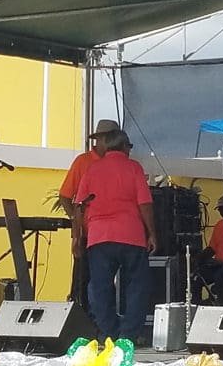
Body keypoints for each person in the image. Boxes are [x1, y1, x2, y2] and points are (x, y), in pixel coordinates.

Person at [73, 130, 157, 342]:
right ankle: (128, 335)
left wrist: (76, 237)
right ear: (124, 146)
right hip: (131, 235)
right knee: (136, 286)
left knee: (99, 287)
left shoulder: (92, 170)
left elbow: (79, 206)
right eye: (129, 146)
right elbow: (145, 204)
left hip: (99, 237)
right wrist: (152, 233)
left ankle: (109, 332)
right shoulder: (133, 168)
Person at [58, 118, 120, 306]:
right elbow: (65, 195)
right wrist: (75, 222)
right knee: (82, 279)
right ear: (99, 140)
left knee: (107, 280)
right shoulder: (83, 161)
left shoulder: (119, 162)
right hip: (87, 233)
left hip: (111, 232)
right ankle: (82, 318)